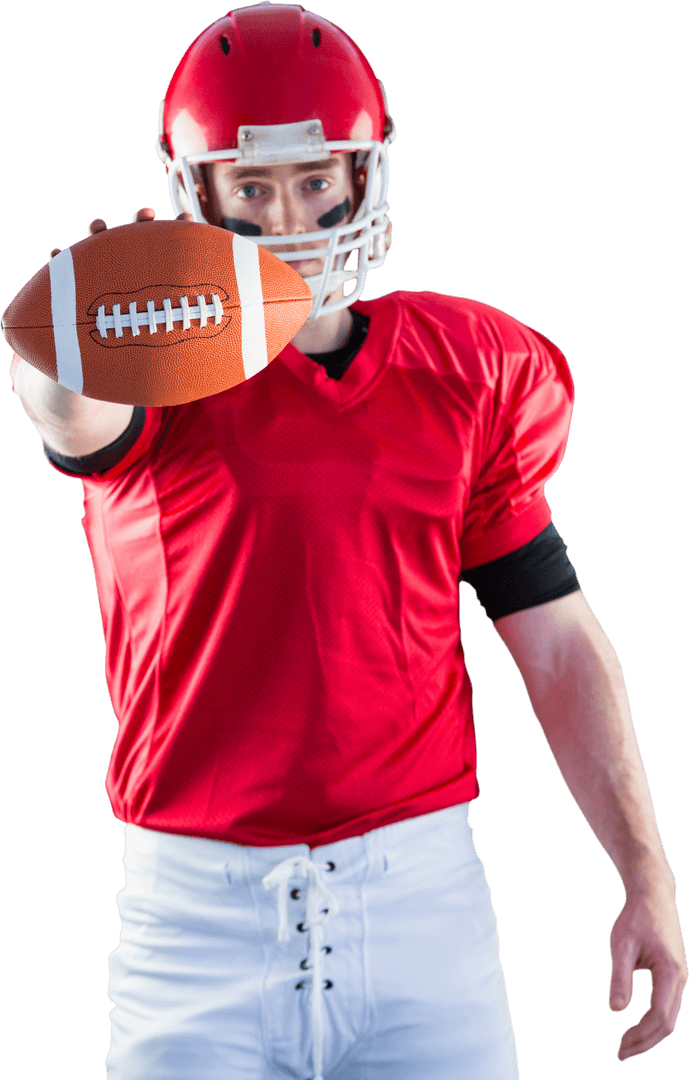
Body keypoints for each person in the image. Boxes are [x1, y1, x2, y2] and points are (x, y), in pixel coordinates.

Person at [9, 4, 687, 1079]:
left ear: (365, 176)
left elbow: (556, 644)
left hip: (422, 911)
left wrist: (647, 872)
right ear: (201, 196)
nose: (291, 216)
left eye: (318, 180)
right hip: (195, 926)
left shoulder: (465, 371)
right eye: (255, 188)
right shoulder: (154, 376)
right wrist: (76, 337)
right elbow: (64, 409)